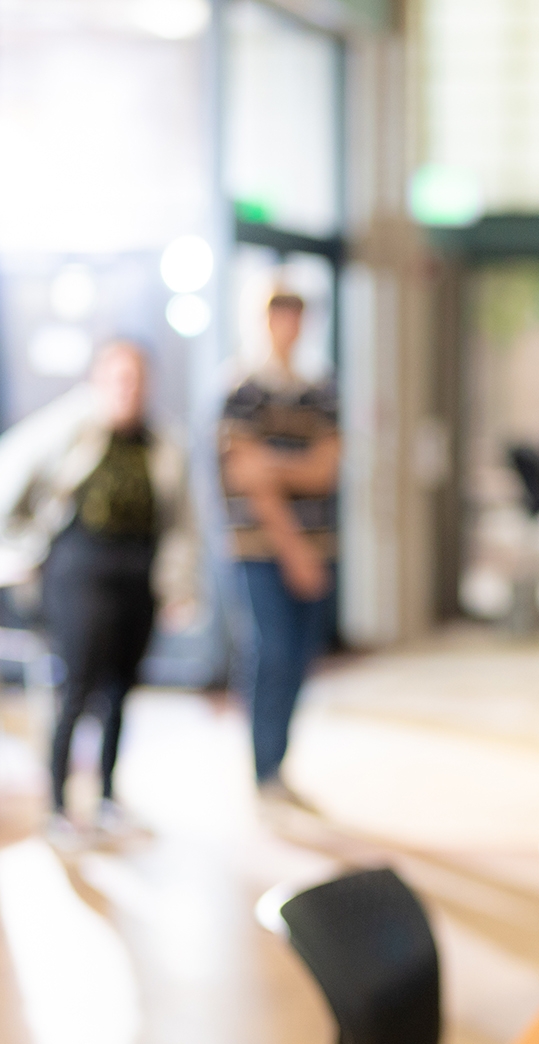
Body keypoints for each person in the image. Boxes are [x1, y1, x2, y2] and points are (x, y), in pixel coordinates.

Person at [0, 341, 198, 832]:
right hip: (81, 566)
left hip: (137, 570)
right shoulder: (70, 431)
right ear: (98, 382)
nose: (128, 389)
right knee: (76, 687)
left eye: (136, 378)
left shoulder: (161, 444)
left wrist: (180, 585)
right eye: (118, 378)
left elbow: (180, 521)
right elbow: (0, 477)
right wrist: (17, 545)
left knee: (121, 690)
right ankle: (58, 804)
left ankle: (106, 796)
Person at [219, 292, 342, 810]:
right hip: (263, 550)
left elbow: (326, 468)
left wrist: (273, 463)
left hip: (318, 547)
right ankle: (263, 768)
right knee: (270, 654)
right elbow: (246, 477)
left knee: (298, 661)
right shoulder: (242, 392)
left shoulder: (320, 392)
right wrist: (293, 549)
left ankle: (280, 765)